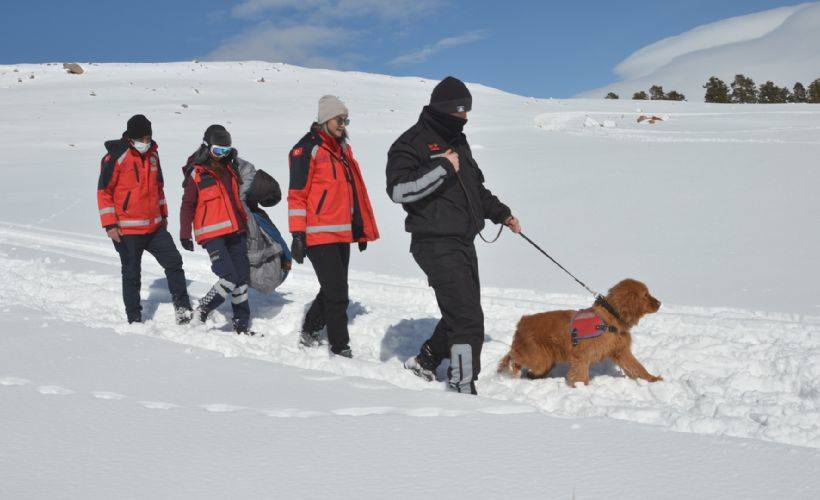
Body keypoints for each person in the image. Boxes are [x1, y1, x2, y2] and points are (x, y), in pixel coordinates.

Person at [386, 76, 522, 395]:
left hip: (462, 241)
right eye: (461, 113)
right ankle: (462, 385)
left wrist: (502, 213)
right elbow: (398, 190)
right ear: (444, 110)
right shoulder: (411, 143)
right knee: (467, 318)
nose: (465, 119)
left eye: (466, 113)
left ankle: (426, 360)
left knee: (461, 309)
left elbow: (474, 188)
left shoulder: (458, 141)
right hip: (433, 242)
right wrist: (442, 168)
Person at [288, 95, 379, 358]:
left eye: (346, 120)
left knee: (333, 289)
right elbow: (297, 195)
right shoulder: (306, 150)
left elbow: (355, 192)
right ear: (326, 118)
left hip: (341, 232)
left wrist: (359, 228)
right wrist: (297, 234)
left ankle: (311, 328)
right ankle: (341, 348)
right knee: (338, 294)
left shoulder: (342, 150)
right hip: (317, 234)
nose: (343, 125)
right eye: (340, 119)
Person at [97, 114, 193, 325]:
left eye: (148, 138)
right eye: (142, 139)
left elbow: (158, 189)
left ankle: (183, 310)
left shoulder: (153, 156)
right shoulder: (115, 157)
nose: (146, 142)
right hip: (127, 229)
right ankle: (134, 317)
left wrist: (164, 215)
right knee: (132, 273)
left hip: (155, 227)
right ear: (131, 138)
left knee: (174, 262)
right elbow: (104, 192)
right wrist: (110, 224)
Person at [179, 125, 255, 335]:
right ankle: (203, 309)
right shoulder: (196, 174)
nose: (222, 156)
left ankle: (241, 324)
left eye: (226, 151)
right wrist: (185, 232)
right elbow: (187, 205)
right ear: (206, 148)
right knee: (229, 276)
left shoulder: (230, 169)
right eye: (217, 151)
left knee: (241, 278)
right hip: (212, 235)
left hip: (236, 231)